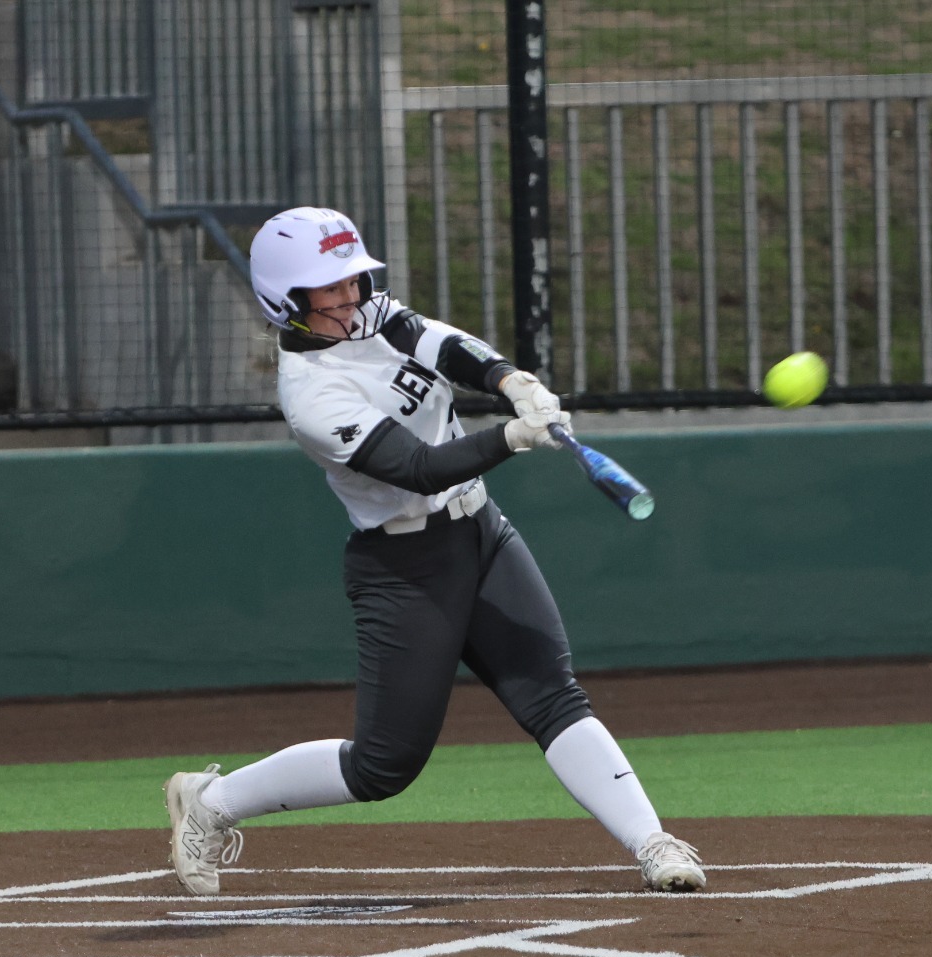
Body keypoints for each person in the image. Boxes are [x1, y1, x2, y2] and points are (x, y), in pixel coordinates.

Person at [163, 206, 706, 896]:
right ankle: (209, 804)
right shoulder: (311, 396)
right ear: (287, 302)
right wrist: (512, 437)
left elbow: (439, 343)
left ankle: (652, 841)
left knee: (553, 694)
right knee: (383, 766)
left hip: (480, 531)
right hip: (405, 567)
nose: (347, 297)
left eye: (351, 280)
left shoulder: (370, 314)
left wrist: (511, 381)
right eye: (326, 289)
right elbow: (417, 467)